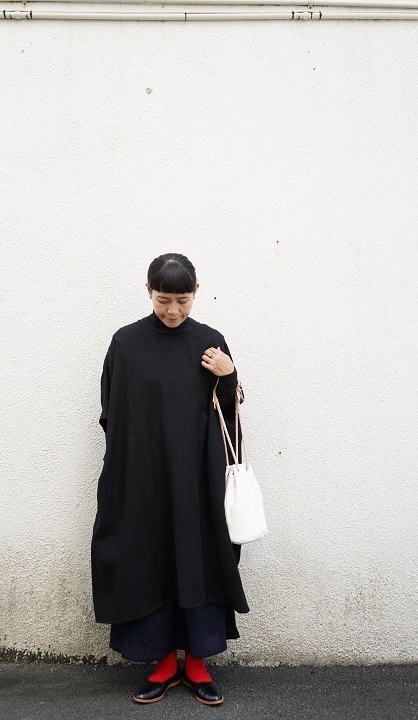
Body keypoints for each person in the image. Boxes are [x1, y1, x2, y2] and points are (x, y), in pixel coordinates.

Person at [91, 253, 249, 705]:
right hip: (143, 475)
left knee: (200, 557)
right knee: (148, 557)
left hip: (198, 476)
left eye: (182, 300)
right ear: (148, 292)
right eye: (164, 300)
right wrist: (126, 474)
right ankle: (161, 663)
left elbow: (229, 412)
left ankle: (197, 663)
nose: (173, 310)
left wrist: (229, 375)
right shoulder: (126, 343)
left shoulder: (209, 341)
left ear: (196, 292)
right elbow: (111, 411)